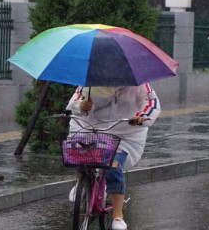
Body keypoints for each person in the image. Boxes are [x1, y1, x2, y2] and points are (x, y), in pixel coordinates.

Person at [66, 84, 160, 230]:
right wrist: (81, 105)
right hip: (91, 130)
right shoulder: (90, 81)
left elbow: (151, 102)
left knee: (113, 166)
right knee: (79, 154)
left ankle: (118, 216)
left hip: (124, 136)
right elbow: (76, 100)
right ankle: (81, 182)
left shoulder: (140, 84)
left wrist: (142, 116)